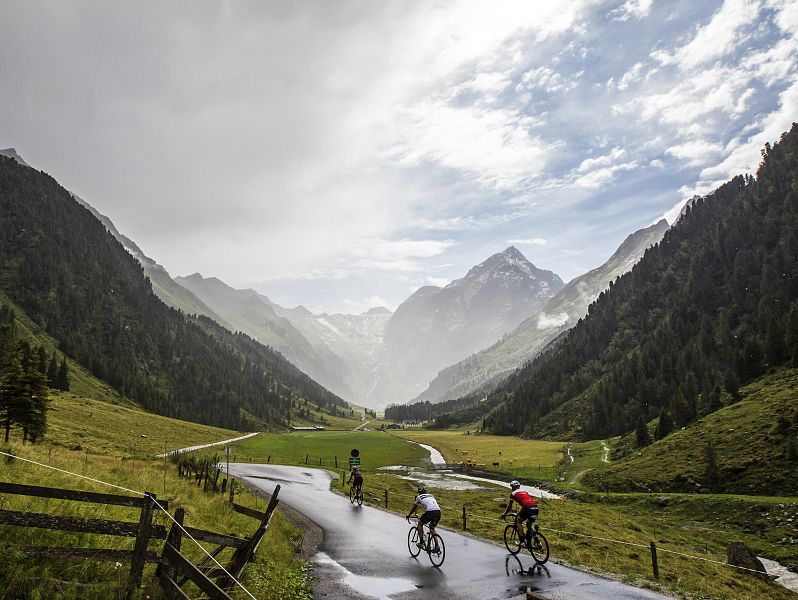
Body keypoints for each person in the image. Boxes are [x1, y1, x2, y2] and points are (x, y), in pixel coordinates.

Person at [500, 480, 539, 546]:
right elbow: (525, 504)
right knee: (529, 525)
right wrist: (519, 513)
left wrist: (505, 513)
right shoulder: (525, 492)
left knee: (519, 521)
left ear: (512, 487)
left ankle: (522, 541)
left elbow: (509, 506)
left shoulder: (513, 494)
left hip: (528, 509)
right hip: (535, 508)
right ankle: (537, 542)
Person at [406, 483, 441, 548]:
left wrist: (409, 515)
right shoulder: (431, 495)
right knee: (432, 528)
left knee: (420, 524)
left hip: (430, 512)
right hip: (438, 512)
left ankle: (421, 543)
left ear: (419, 492)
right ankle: (437, 545)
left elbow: (414, 507)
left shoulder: (419, 497)